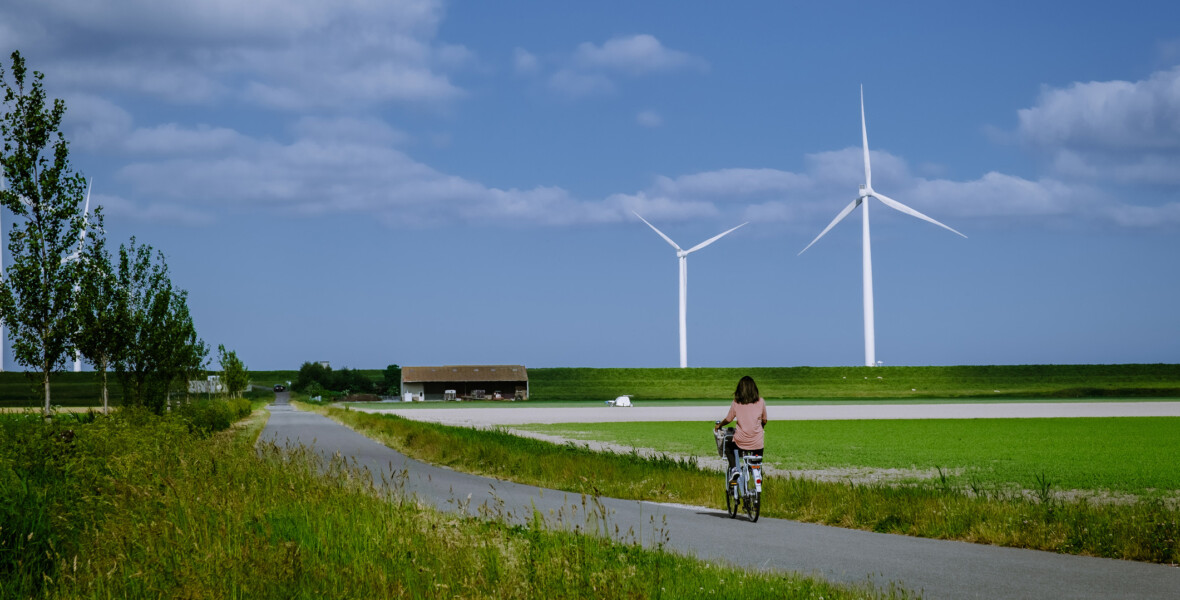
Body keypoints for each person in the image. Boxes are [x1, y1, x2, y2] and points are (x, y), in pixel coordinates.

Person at [714, 375, 767, 481]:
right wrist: (760, 427)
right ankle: (756, 476)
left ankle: (734, 468)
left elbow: (729, 419)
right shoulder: (761, 401)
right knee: (756, 462)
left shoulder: (736, 403)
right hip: (757, 443)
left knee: (728, 446)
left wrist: (720, 425)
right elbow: (764, 420)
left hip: (741, 442)